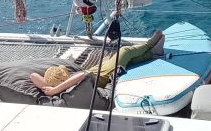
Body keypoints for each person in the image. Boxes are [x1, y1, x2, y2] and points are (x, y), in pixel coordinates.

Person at [31, 29, 165, 97]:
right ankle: (149, 45)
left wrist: (48, 87)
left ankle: (153, 53)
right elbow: (82, 75)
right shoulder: (68, 86)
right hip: (105, 74)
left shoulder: (56, 85)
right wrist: (55, 89)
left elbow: (33, 76)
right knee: (124, 52)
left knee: (129, 60)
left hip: (98, 70)